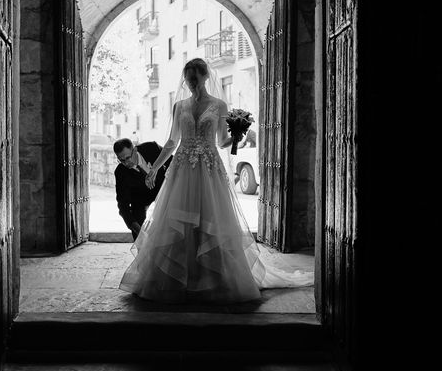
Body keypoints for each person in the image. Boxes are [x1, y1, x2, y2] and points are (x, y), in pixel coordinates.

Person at [119, 58, 313, 304]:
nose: (190, 83)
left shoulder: (219, 105)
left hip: (209, 169)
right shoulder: (179, 106)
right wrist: (154, 169)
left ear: (205, 77)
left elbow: (222, 141)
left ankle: (212, 278)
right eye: (187, 78)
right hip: (182, 169)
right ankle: (179, 279)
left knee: (211, 220)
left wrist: (237, 136)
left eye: (194, 78)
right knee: (178, 223)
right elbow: (171, 142)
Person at [113, 138, 172, 240]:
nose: (126, 163)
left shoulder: (151, 148)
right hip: (141, 200)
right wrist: (138, 230)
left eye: (128, 158)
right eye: (121, 160)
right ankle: (142, 250)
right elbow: (123, 205)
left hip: (165, 190)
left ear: (135, 150)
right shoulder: (120, 172)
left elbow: (172, 161)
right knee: (136, 220)